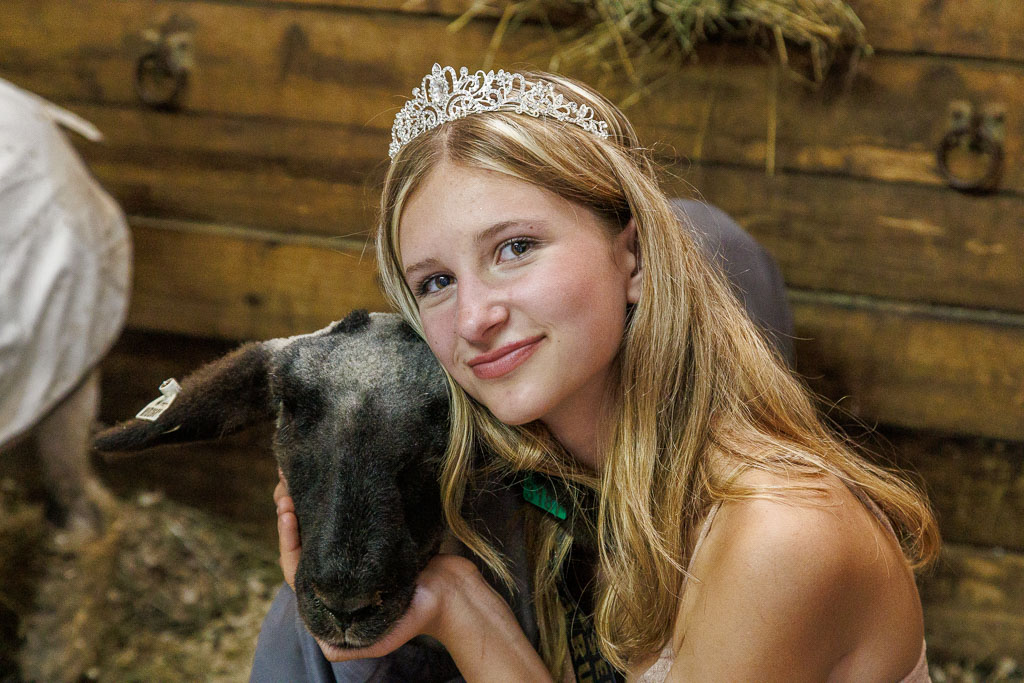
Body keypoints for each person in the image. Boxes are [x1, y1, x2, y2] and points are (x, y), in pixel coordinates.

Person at [253, 64, 938, 682]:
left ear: (632, 257)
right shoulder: (548, 495)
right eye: (435, 282)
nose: (474, 318)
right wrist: (454, 603)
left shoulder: (779, 534)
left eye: (515, 247)